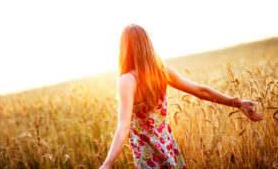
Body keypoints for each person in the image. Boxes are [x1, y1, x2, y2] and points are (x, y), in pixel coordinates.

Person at [99, 24, 263, 169]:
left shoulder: (127, 80)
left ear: (124, 48)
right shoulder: (162, 71)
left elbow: (124, 126)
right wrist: (237, 103)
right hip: (169, 148)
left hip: (148, 156)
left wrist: (107, 163)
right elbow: (201, 91)